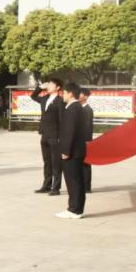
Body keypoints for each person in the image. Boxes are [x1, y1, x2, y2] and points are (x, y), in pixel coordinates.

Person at [56, 83, 87, 219]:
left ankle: (74, 209)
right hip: (76, 150)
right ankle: (76, 209)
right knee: (76, 180)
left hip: (72, 152)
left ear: (70, 94)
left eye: (64, 93)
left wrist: (66, 151)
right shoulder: (76, 107)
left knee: (73, 181)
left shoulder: (73, 108)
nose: (62, 95)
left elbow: (70, 132)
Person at [32, 77, 64, 196]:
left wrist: (61, 137)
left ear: (58, 87)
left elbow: (61, 120)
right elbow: (33, 96)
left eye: (51, 84)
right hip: (44, 134)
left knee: (56, 163)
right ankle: (46, 185)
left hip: (55, 136)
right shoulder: (45, 98)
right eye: (48, 84)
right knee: (47, 162)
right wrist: (40, 88)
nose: (48, 86)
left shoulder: (60, 101)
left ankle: (56, 188)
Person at [79, 88, 95, 193]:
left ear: (85, 97)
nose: (78, 96)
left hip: (85, 141)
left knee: (85, 164)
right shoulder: (78, 108)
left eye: (80, 94)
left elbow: (88, 126)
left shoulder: (88, 110)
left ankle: (87, 187)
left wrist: (87, 140)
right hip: (78, 140)